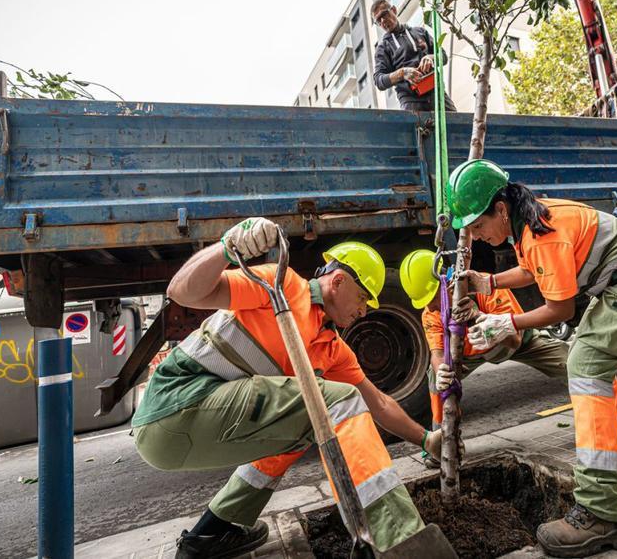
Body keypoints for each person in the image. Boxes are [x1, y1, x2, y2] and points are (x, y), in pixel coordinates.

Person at [133, 217, 444, 558]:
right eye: (363, 299)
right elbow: (182, 291)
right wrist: (226, 248)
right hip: (174, 407)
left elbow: (380, 404)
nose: (364, 312)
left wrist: (426, 438)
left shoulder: (332, 349)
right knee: (328, 402)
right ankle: (402, 541)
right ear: (338, 281)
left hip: (196, 428)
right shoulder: (277, 285)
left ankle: (211, 534)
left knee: (304, 424)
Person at [446, 160, 617, 557]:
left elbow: (560, 309)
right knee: (593, 365)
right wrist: (490, 281)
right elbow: (533, 269)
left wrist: (507, 322)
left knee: (587, 367)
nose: (476, 237)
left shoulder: (541, 232)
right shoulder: (529, 219)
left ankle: (603, 512)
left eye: (477, 226)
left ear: (500, 209)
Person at [398, 249, 569, 466]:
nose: (431, 306)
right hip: (469, 354)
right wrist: (442, 371)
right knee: (435, 378)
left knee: (572, 364)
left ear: (447, 282)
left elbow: (514, 342)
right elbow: (438, 353)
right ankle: (443, 440)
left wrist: (479, 318)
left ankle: (608, 418)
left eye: (432, 298)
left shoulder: (483, 288)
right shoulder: (430, 313)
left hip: (516, 341)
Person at [371, 0, 457, 112]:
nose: (383, 21)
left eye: (384, 14)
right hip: (411, 101)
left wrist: (431, 58)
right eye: (378, 20)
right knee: (417, 129)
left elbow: (444, 56)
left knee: (457, 126)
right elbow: (379, 80)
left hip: (436, 92)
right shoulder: (383, 48)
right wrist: (402, 73)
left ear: (394, 10)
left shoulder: (420, 32)